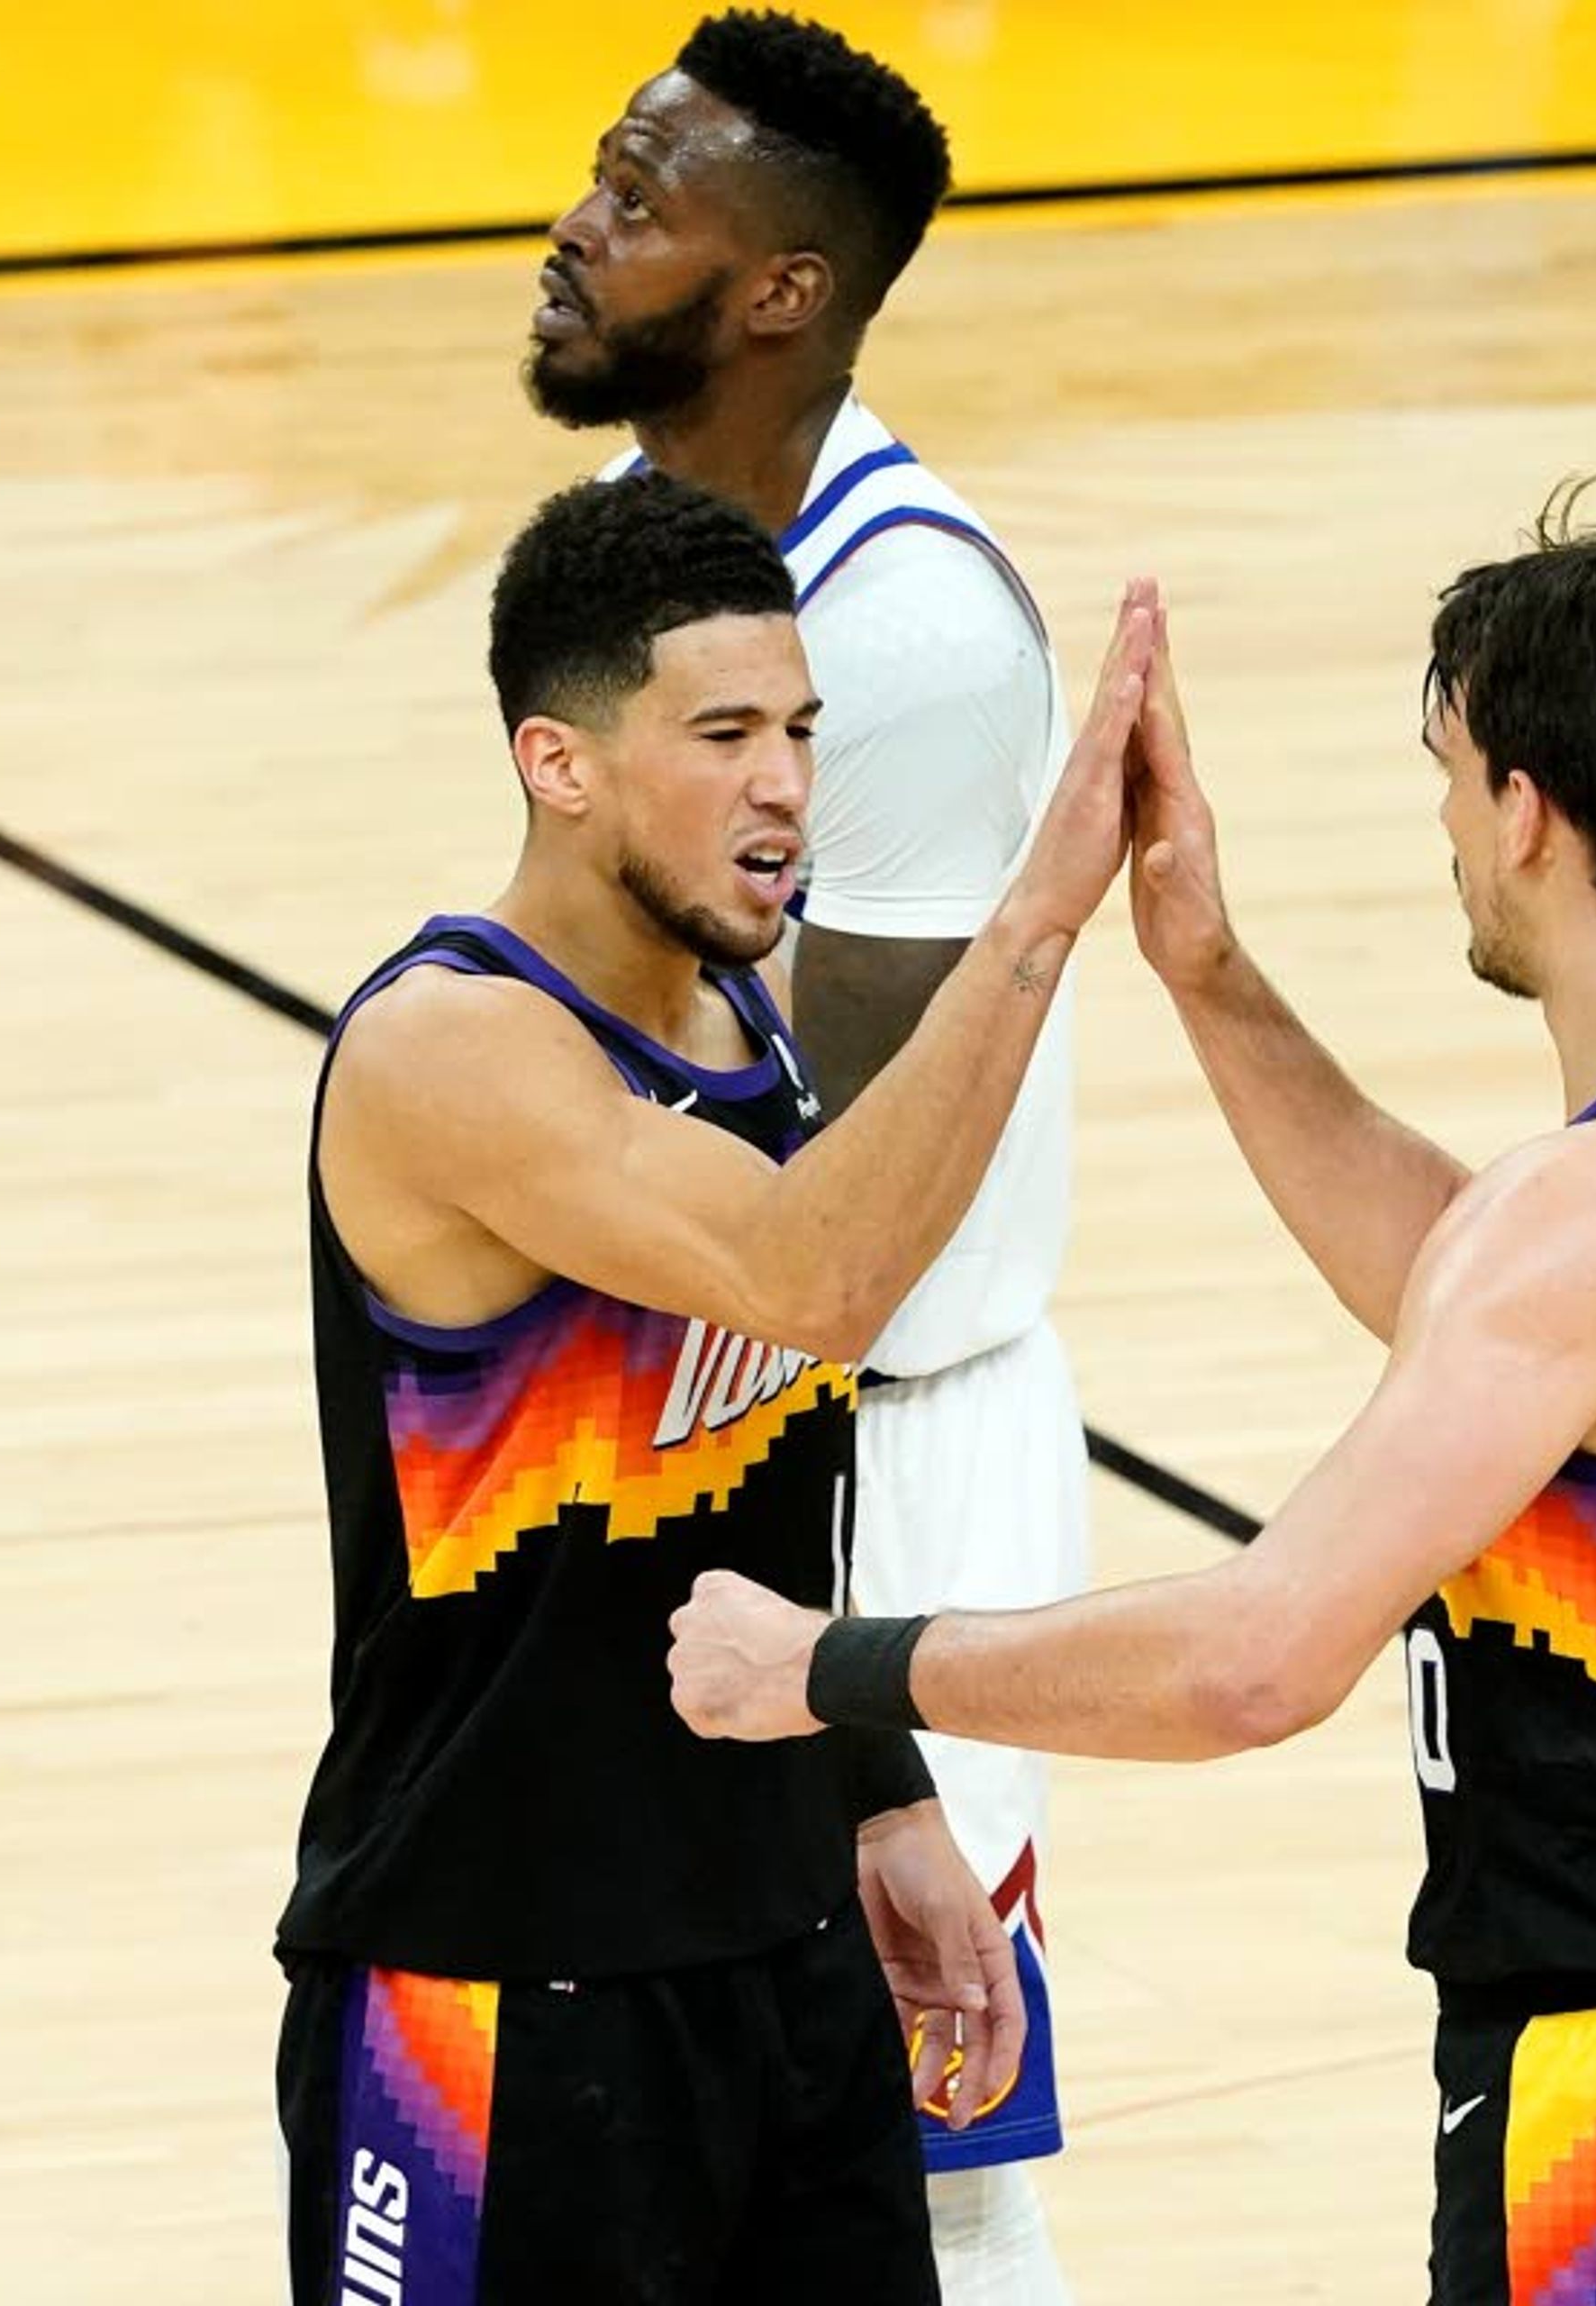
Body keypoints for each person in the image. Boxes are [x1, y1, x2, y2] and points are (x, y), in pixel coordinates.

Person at [673, 497, 1596, 2304]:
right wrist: (1203, 965)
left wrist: (827, 1668)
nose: (1447, 828)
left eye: (1450, 778)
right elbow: (1483, 1302)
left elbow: (1254, 1658)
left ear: (1525, 808)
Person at [275, 466, 1156, 2306]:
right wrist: (1036, 918)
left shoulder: (739, 1020)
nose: (785, 784)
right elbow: (817, 1280)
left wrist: (888, 1800)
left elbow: (763, 1498)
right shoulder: (457, 1048)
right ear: (559, 760)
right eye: (727, 732)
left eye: (807, 731)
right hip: (498, 1985)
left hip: (782, 1953)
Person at [525, 15, 1093, 2296]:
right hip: (693, 1409)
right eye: (602, 169)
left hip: (896, 1439)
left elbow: (847, 1173)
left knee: (933, 2146)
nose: (577, 224)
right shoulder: (614, 543)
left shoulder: (911, 631)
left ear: (780, 291)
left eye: (642, 202)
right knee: (685, 2112)